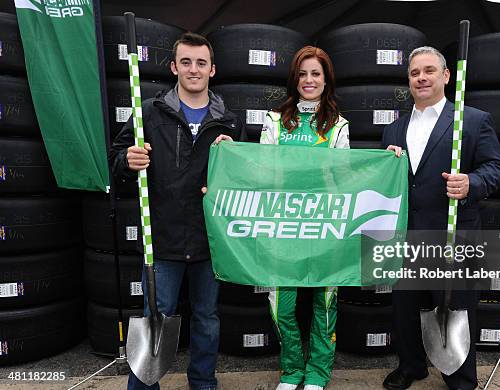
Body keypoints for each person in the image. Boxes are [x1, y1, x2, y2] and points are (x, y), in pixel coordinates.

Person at [109, 32, 245, 390]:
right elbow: (113, 160)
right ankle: (143, 387)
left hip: (209, 238)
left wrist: (233, 158)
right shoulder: (150, 112)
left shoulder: (229, 121)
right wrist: (128, 159)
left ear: (212, 69)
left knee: (207, 318)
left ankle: (203, 382)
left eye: (201, 62)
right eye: (186, 62)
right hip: (163, 238)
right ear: (174, 67)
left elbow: (246, 178)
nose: (193, 69)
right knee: (156, 316)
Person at [215, 45, 348, 390]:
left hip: (324, 226)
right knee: (282, 306)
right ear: (294, 78)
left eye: (315, 73)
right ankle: (292, 370)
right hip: (282, 225)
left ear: (326, 79)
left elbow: (347, 177)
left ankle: (318, 372)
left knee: (324, 302)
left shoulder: (338, 124)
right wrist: (232, 154)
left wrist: (389, 159)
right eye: (302, 73)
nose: (309, 80)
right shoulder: (275, 121)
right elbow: (262, 171)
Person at [381, 46, 500, 390]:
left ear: (446, 76)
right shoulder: (393, 130)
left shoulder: (473, 120)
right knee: (405, 308)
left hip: (452, 234)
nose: (421, 77)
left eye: (429, 70)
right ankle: (412, 366)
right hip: (405, 236)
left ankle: (461, 380)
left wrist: (472, 183)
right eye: (414, 72)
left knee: (455, 309)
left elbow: (497, 168)